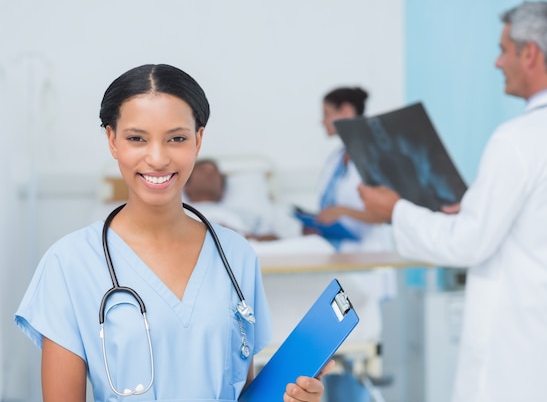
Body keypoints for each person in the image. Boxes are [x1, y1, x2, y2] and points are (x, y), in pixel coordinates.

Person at [14, 64, 331, 402]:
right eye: (137, 138)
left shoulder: (235, 255)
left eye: (176, 138)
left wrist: (292, 397)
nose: (157, 158)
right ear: (112, 140)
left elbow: (243, 390)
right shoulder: (70, 263)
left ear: (198, 140)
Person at [358, 0, 547, 402]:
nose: (497, 63)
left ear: (529, 53)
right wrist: (478, 206)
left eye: (503, 50)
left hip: (512, 358)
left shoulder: (517, 140)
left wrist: (395, 212)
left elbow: (466, 243)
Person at [309, 86, 393, 252]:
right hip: (338, 251)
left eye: (326, 114)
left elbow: (386, 213)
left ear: (346, 111)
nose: (322, 121)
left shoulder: (375, 155)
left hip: (370, 252)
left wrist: (341, 212)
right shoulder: (336, 158)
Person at [184, 158, 278, 241]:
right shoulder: (179, 213)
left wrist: (242, 237)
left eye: (214, 173)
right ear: (187, 186)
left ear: (222, 190)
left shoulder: (245, 215)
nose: (210, 174)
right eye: (202, 171)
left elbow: (274, 241)